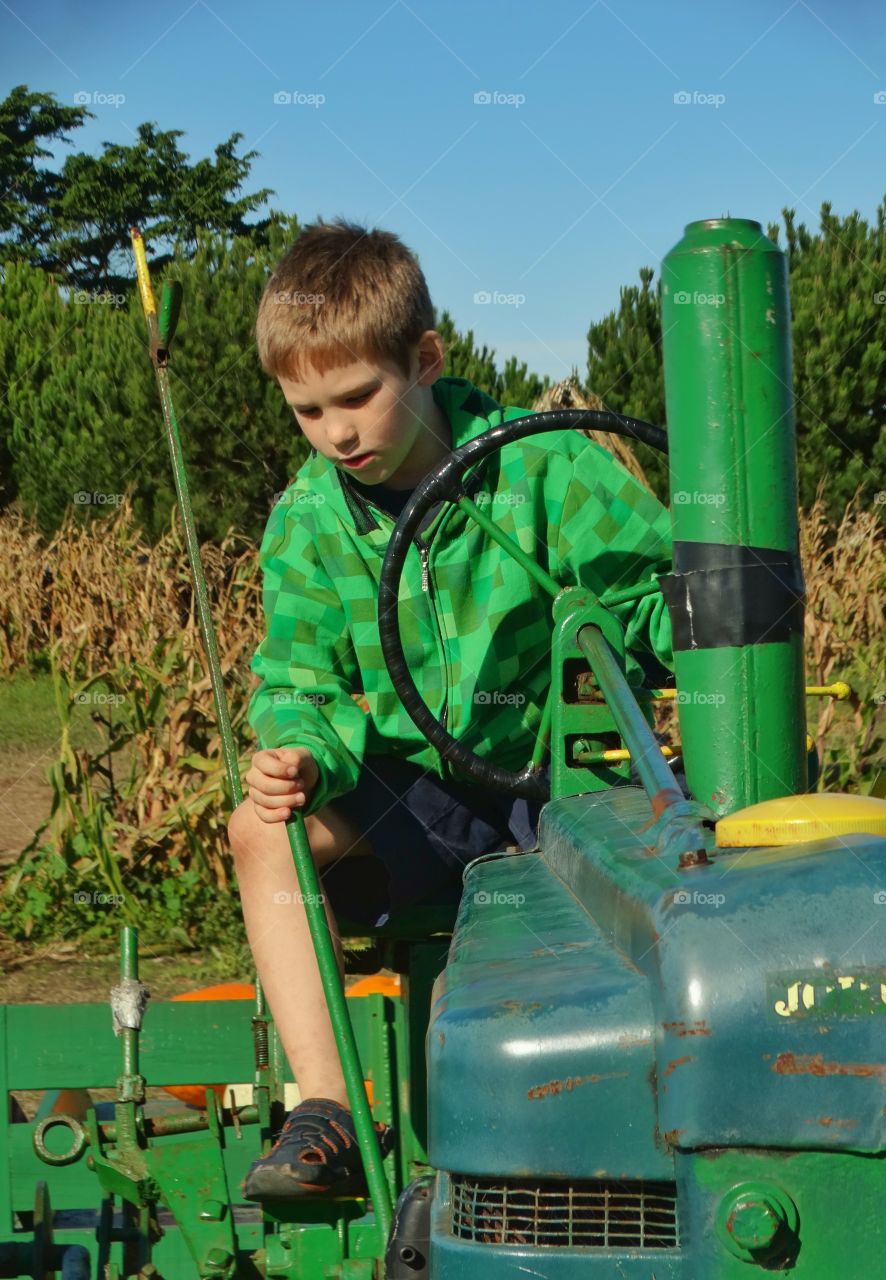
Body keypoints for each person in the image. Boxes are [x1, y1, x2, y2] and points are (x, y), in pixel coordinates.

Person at [229, 218, 674, 1200]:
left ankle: (675, 1121)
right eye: (306, 409)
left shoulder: (542, 471)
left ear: (425, 358)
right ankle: (329, 1113)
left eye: (357, 397)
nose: (336, 432)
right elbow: (297, 680)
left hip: (556, 791)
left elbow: (654, 596)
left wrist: (698, 606)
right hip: (409, 805)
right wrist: (298, 753)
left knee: (695, 864)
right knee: (260, 827)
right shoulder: (308, 520)